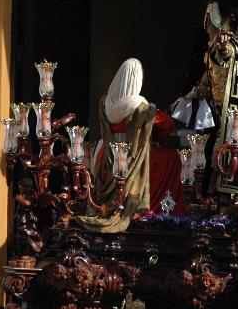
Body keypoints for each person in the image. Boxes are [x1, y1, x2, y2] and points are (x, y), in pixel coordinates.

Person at [78, 58, 185, 233]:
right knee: (171, 159)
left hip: (107, 153)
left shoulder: (105, 101)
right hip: (134, 158)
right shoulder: (139, 105)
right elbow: (167, 126)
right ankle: (158, 210)